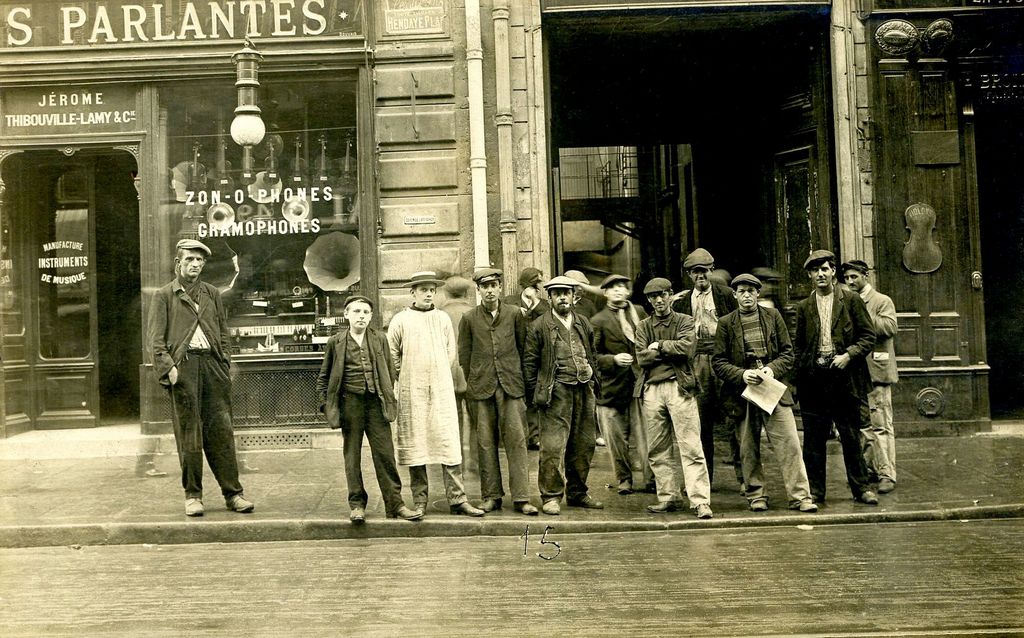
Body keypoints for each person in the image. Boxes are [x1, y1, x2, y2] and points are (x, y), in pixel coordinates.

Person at [147, 238, 253, 517]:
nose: (195, 265)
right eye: (190, 259)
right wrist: (169, 369)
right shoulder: (164, 296)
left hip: (213, 367)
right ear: (177, 263)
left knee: (221, 432)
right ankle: (193, 496)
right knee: (189, 434)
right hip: (184, 369)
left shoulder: (211, 293)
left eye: (200, 261)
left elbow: (222, 330)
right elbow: (156, 341)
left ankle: (234, 494)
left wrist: (225, 361)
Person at [712, 274, 817, 513]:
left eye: (751, 290)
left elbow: (788, 353)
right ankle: (756, 495)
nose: (746, 295)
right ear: (735, 295)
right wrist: (741, 374)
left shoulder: (773, 316)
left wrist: (771, 369)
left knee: (789, 442)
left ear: (758, 293)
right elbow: (718, 361)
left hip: (772, 387)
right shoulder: (726, 323)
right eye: (741, 291)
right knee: (748, 447)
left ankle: (800, 496)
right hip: (743, 390)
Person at [388, 271, 485, 518]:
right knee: (416, 443)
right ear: (413, 293)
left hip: (441, 389)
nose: (429, 294)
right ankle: (420, 501)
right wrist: (409, 373)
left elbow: (450, 351)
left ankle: (457, 499)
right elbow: (392, 354)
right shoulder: (401, 320)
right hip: (413, 390)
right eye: (423, 290)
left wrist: (437, 370)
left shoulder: (442, 318)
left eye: (432, 290)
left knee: (448, 441)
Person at [317, 295, 422, 523]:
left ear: (371, 316)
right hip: (349, 405)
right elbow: (324, 377)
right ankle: (356, 504)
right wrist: (327, 405)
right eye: (356, 312)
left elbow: (390, 370)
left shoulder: (380, 339)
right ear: (346, 315)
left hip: (376, 404)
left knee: (385, 454)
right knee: (352, 456)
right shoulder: (335, 342)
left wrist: (386, 393)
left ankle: (396, 504)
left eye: (365, 312)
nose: (361, 316)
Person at [794, 250, 879, 506]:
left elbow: (868, 336)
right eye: (815, 270)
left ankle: (861, 488)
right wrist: (801, 375)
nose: (821, 274)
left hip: (845, 378)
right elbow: (798, 346)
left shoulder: (851, 300)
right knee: (814, 440)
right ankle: (817, 491)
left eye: (825, 269)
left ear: (833, 273)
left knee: (851, 436)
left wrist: (848, 356)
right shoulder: (804, 306)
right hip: (814, 382)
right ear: (810, 275)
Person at [458, 268, 538, 516]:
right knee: (485, 443)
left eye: (494, 285)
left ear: (500, 288)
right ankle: (491, 496)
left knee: (517, 441)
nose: (490, 290)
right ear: (478, 290)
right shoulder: (469, 318)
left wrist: (523, 384)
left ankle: (522, 498)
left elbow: (525, 350)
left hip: (511, 386)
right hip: (482, 388)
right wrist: (475, 381)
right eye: (485, 286)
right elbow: (465, 356)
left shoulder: (515, 314)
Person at [523, 275, 604, 515]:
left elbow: (593, 356)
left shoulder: (583, 323)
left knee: (584, 444)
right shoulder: (539, 326)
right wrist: (535, 397)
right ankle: (550, 496)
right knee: (553, 447)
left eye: (566, 293)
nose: (562, 297)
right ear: (549, 298)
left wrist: (594, 382)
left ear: (574, 296)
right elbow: (529, 364)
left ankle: (578, 493)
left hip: (584, 390)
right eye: (556, 293)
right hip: (555, 393)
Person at [635, 277, 713, 519]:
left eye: (663, 295)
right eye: (653, 297)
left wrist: (657, 345)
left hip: (680, 387)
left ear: (671, 295)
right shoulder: (643, 326)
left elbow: (688, 349)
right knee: (658, 448)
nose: (658, 300)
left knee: (690, 445)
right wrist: (667, 349)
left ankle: (700, 501)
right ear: (648, 301)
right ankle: (668, 496)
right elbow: (642, 358)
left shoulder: (685, 321)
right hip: (652, 390)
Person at [670, 248, 738, 486]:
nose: (700, 276)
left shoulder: (727, 295)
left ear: (712, 270)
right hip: (696, 362)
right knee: (699, 421)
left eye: (704, 271)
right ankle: (703, 479)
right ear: (689, 274)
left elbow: (738, 326)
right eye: (695, 272)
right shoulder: (680, 301)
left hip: (723, 359)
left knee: (733, 417)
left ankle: (744, 479)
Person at [590, 273, 654, 495]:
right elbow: (593, 356)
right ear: (605, 293)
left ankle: (650, 479)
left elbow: (649, 338)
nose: (618, 290)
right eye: (612, 287)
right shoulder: (598, 321)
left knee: (647, 434)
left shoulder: (640, 313)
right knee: (615, 439)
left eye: (622, 287)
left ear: (628, 291)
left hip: (640, 385)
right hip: (611, 388)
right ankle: (624, 479)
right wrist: (613, 360)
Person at [841, 259, 899, 494]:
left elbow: (890, 327)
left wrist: (861, 314)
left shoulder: (881, 300)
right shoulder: (848, 302)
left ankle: (887, 474)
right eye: (846, 278)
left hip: (877, 371)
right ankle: (869, 469)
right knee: (863, 425)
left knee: (881, 425)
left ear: (866, 276)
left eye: (854, 277)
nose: (850, 281)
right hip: (856, 371)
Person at [506, 266, 549, 449]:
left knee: (536, 396)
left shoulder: (543, 304)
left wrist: (535, 302)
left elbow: (548, 319)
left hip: (538, 358)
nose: (537, 287)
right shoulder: (510, 302)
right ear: (525, 284)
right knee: (519, 397)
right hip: (516, 355)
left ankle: (536, 436)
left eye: (538, 284)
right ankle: (521, 436)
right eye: (535, 283)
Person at [441, 275, 476, 469]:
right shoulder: (474, 312)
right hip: (472, 376)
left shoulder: (439, 314)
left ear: (446, 292)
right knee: (478, 423)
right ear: (466, 292)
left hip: (447, 376)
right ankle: (476, 463)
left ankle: (456, 463)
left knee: (453, 423)